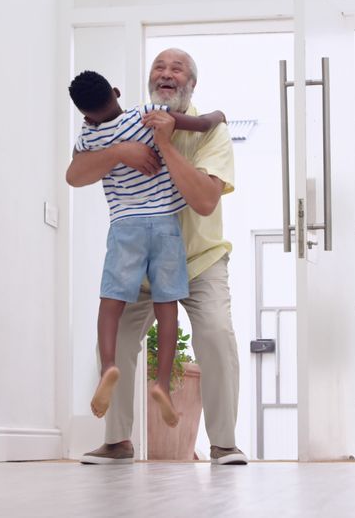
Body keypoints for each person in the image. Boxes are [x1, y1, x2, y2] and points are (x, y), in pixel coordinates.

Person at [67, 49, 247, 465]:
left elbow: (204, 201)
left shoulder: (209, 134)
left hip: (200, 261)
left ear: (191, 84)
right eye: (159, 68)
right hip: (141, 265)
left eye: (176, 69)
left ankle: (223, 443)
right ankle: (117, 441)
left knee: (217, 336)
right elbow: (75, 174)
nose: (166, 74)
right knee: (114, 342)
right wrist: (119, 153)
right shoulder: (128, 122)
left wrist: (164, 143)